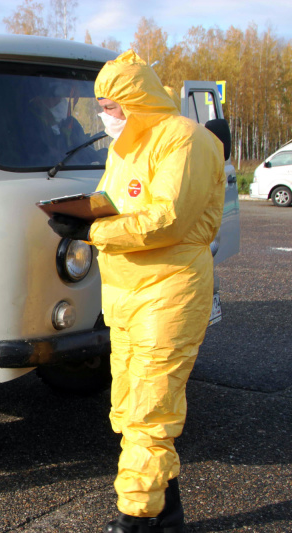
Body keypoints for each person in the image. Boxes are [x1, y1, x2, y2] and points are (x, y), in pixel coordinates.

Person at [47, 50, 226, 533]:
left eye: (113, 105)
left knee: (150, 409)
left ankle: (139, 518)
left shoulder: (186, 140)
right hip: (125, 295)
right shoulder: (127, 145)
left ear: (138, 100)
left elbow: (166, 219)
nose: (105, 114)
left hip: (168, 292)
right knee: (129, 407)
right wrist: (82, 209)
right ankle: (168, 513)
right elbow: (118, 197)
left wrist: (93, 233)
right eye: (102, 104)